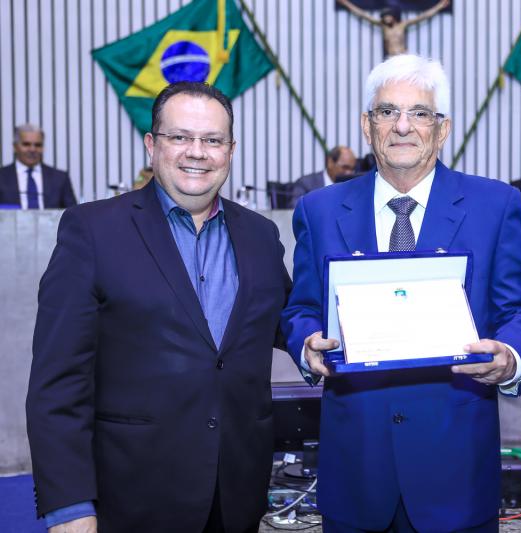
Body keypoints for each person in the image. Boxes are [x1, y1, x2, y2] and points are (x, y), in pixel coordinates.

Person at [280, 54, 521, 531]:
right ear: (367, 126)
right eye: (387, 111)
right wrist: (306, 344)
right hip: (355, 471)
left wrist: (509, 356)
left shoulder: (495, 205)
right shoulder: (319, 210)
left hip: (456, 473)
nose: (402, 126)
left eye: (419, 113)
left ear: (441, 129)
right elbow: (301, 307)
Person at [26, 82, 292, 533]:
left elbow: (286, 319)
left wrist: (322, 338)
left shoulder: (260, 235)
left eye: (212, 140)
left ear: (230, 150)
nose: (197, 152)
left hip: (236, 494)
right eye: (180, 137)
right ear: (152, 145)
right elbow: (58, 382)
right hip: (132, 496)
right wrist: (69, 507)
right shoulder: (92, 231)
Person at [0, 124, 77, 208]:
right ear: (15, 147)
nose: (32, 149)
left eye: (38, 145)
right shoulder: (2, 176)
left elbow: (73, 212)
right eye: (26, 144)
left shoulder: (60, 178)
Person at [337, 0, 450, 57]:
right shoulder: (383, 26)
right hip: (390, 57)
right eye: (384, 16)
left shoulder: (402, 25)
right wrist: (346, 3)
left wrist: (439, 6)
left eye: (388, 16)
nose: (386, 19)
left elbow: (423, 16)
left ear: (393, 16)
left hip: (403, 56)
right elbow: (362, 14)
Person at [288, 145, 357, 208]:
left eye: (352, 169)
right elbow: (295, 209)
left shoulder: (354, 186)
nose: (349, 173)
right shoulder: (306, 183)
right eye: (345, 167)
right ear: (330, 163)